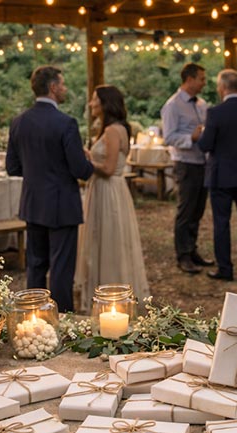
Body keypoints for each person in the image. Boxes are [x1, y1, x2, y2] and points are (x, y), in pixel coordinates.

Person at [6, 66, 94, 312]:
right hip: (62, 205)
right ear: (53, 88)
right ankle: (62, 319)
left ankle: (31, 315)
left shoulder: (18, 122)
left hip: (33, 203)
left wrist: (38, 173)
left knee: (35, 265)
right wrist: (91, 164)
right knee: (61, 268)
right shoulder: (66, 123)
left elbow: (12, 167)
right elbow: (80, 169)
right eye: (63, 84)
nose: (65, 88)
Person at [76, 85, 150, 311]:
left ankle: (108, 291)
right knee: (112, 238)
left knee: (106, 239)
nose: (90, 104)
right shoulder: (118, 128)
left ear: (105, 103)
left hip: (107, 189)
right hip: (111, 190)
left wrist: (86, 161)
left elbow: (108, 168)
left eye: (94, 100)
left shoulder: (111, 131)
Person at [197, 69, 237, 281]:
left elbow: (206, 145)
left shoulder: (215, 113)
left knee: (222, 223)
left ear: (223, 87)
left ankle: (225, 268)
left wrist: (200, 134)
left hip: (221, 177)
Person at [161, 63, 214, 274]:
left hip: (203, 163)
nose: (204, 82)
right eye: (201, 78)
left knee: (198, 210)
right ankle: (182, 255)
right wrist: (189, 138)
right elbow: (168, 137)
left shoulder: (202, 104)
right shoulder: (172, 105)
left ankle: (192, 250)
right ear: (189, 79)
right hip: (185, 163)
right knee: (186, 210)